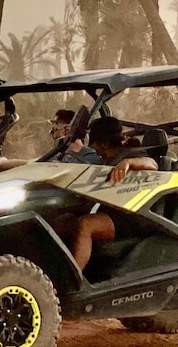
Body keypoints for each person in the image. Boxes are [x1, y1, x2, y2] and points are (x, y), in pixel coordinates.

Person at [63, 116, 158, 273]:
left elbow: (152, 164)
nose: (92, 147)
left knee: (85, 225)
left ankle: (72, 279)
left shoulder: (130, 154)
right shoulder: (106, 160)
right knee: (64, 220)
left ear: (104, 144)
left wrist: (128, 163)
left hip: (132, 217)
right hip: (111, 212)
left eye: (93, 143)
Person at [0, 108, 99, 171]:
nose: (53, 129)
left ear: (67, 129)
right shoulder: (59, 155)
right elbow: (32, 163)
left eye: (56, 124)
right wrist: (1, 162)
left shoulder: (91, 158)